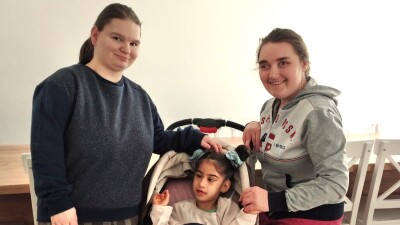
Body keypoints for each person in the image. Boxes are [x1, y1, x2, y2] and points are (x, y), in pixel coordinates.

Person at [30, 3, 222, 225]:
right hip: (70, 216)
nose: (126, 48)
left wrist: (194, 138)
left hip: (128, 217)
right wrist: (59, 204)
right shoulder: (62, 86)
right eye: (117, 38)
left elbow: (158, 139)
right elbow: (46, 153)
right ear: (95, 35)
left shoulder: (140, 97)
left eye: (134, 43)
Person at [239, 28, 348, 224]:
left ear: (304, 64)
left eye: (283, 63)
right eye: (264, 65)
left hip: (310, 214)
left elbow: (336, 183)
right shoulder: (270, 105)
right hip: (275, 207)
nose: (272, 73)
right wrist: (254, 124)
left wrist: (273, 201)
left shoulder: (318, 112)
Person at [150, 145, 259, 225]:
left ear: (224, 186)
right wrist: (159, 208)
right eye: (198, 176)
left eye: (210, 179)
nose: (201, 184)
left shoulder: (227, 209)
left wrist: (249, 214)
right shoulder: (180, 209)